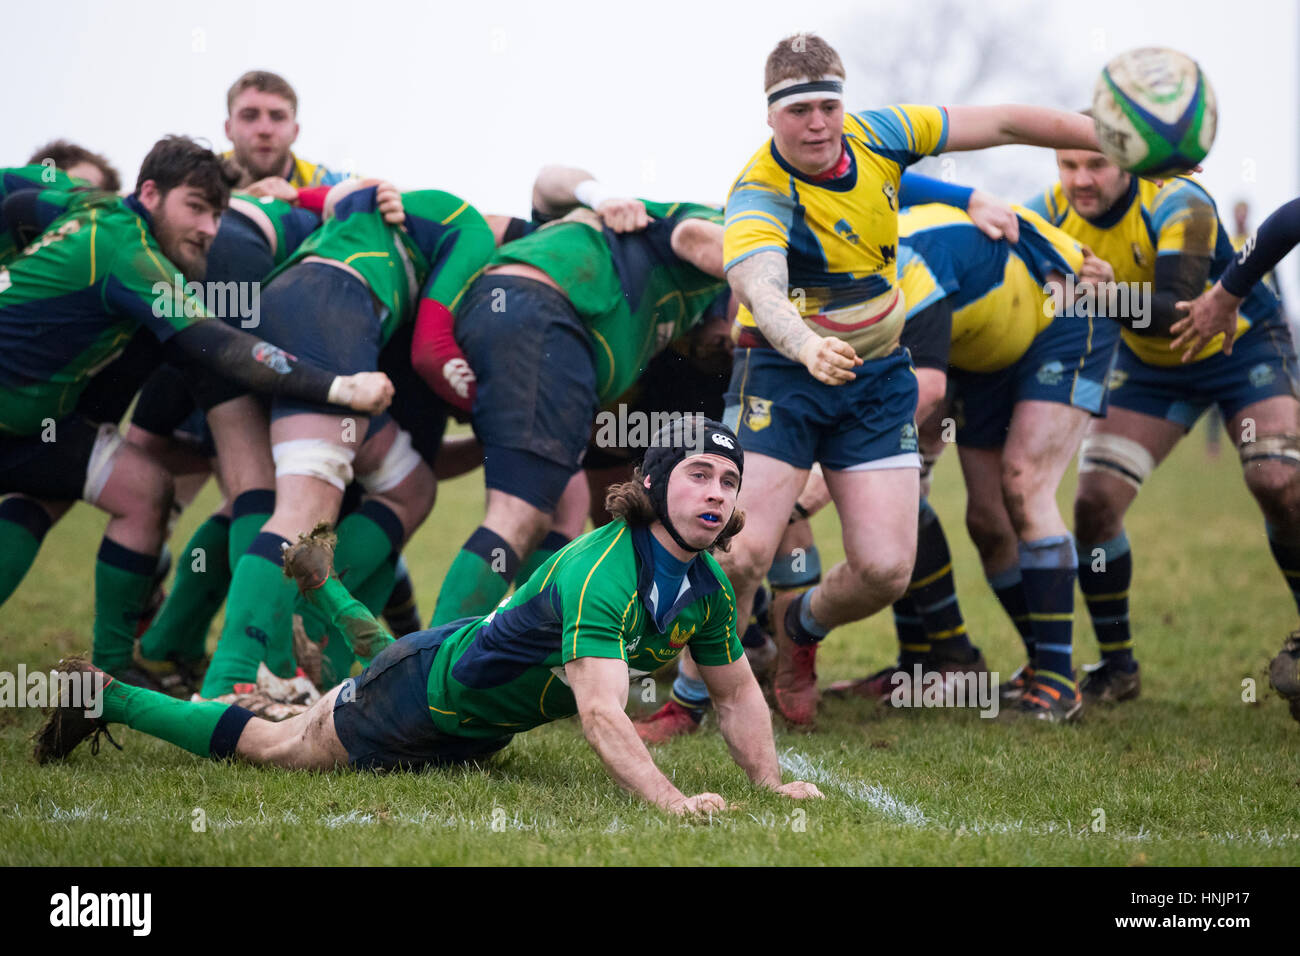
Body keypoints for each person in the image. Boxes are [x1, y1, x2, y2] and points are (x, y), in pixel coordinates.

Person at [35, 419, 825, 816]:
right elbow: (601, 714)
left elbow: (733, 693)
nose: (719, 492)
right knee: (282, 747)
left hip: (468, 702)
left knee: (407, 655)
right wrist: (673, 804)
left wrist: (772, 784)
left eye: (730, 479)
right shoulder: (602, 572)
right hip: (421, 700)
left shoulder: (709, 589)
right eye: (698, 474)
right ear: (653, 486)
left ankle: (324, 592)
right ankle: (106, 695)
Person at [717, 32, 1107, 725]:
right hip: (812, 367)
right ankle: (698, 694)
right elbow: (760, 285)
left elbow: (1008, 122)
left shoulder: (892, 187)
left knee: (933, 540)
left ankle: (814, 629)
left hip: (997, 341)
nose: (816, 122)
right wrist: (806, 345)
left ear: (845, 105)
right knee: (753, 549)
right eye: (798, 109)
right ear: (770, 115)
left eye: (827, 106)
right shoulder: (759, 193)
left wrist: (1118, 137)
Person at [0, 136, 393, 681]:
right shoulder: (128, 252)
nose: (209, 228)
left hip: (30, 425)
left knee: (141, 490)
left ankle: (112, 669)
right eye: (196, 209)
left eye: (217, 213)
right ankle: (234, 664)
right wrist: (337, 388)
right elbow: (220, 344)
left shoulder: (85, 203)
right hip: (17, 418)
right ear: (151, 193)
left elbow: (12, 195)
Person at [197, 179, 496, 701]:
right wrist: (493, 412)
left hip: (290, 304)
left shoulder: (390, 202)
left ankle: (309, 643)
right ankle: (234, 676)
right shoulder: (473, 232)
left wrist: (300, 192)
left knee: (412, 486)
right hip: (333, 312)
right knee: (302, 512)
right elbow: (430, 345)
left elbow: (323, 198)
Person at [1026, 142, 1297, 705]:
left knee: (1278, 481)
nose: (1080, 179)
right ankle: (1117, 666)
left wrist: (1098, 295)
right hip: (1150, 369)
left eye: (1096, 165)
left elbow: (1176, 308)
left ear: (1127, 162)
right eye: (1068, 165)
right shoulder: (1048, 209)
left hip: (1240, 348)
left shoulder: (1179, 200)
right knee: (1093, 506)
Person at [430, 168, 727, 625]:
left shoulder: (679, 290)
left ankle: (537, 653)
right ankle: (432, 669)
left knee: (563, 504)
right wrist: (599, 194)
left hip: (511, 314)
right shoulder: (684, 223)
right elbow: (551, 178)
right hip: (542, 317)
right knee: (517, 514)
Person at [1172, 194, 1300, 721]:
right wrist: (1230, 290)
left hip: (1254, 345)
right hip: (1218, 347)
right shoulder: (1225, 242)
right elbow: (1292, 217)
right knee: (1275, 479)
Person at [223, 70, 349, 189]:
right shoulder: (206, 178)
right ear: (228, 128)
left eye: (278, 117)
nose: (265, 130)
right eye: (249, 116)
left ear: (295, 131)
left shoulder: (324, 183)